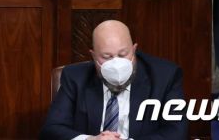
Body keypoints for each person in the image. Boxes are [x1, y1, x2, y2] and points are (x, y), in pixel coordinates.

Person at [40, 20, 186, 140]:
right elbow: (52, 129)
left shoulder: (165, 76)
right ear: (93, 55)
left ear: (134, 49)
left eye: (123, 54)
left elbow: (177, 132)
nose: (116, 64)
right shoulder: (74, 77)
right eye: (106, 57)